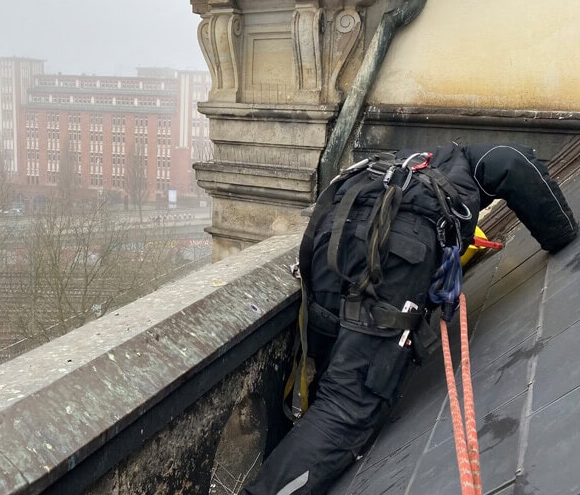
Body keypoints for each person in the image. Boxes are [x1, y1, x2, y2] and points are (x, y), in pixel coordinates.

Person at [242, 142, 578, 495]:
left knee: (323, 384)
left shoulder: (417, 160)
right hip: (392, 249)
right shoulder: (473, 162)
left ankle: (286, 457)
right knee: (347, 406)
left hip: (335, 240)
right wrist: (563, 237)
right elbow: (510, 161)